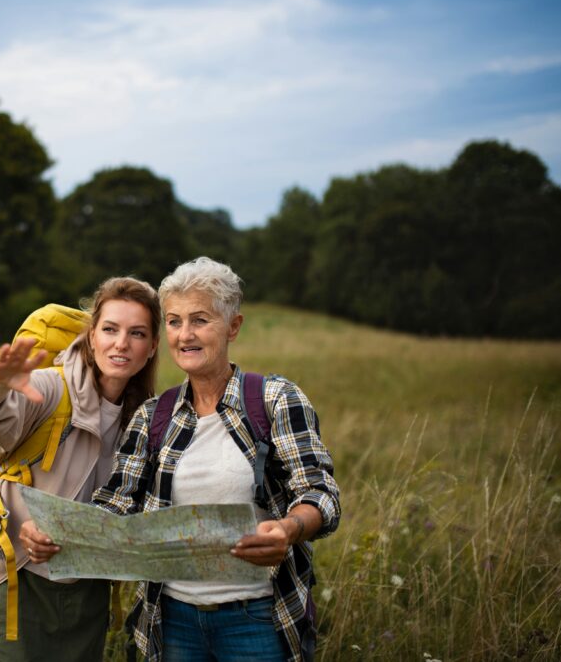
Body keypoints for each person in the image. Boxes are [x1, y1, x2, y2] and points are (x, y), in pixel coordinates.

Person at [24, 257, 340, 662]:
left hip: (258, 618)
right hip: (170, 621)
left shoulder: (275, 400)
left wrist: (290, 529)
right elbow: (115, 506)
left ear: (233, 326)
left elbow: (319, 491)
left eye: (200, 320)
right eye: (173, 321)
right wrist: (56, 531)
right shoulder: (154, 415)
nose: (185, 335)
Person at [0, 276, 161, 661]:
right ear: (91, 336)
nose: (121, 343)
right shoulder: (54, 389)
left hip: (84, 594)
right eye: (110, 329)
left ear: (151, 347)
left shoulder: (146, 418)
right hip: (12, 580)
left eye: (137, 333)